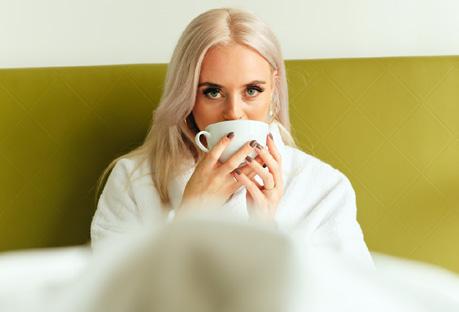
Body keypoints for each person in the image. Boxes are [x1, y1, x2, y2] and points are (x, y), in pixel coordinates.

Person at [90, 7, 374, 268]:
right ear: (187, 96)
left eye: (252, 90)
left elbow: (353, 299)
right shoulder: (133, 181)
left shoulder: (323, 188)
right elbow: (107, 300)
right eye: (213, 92)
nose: (234, 112)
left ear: (274, 87)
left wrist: (265, 233)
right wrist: (188, 221)